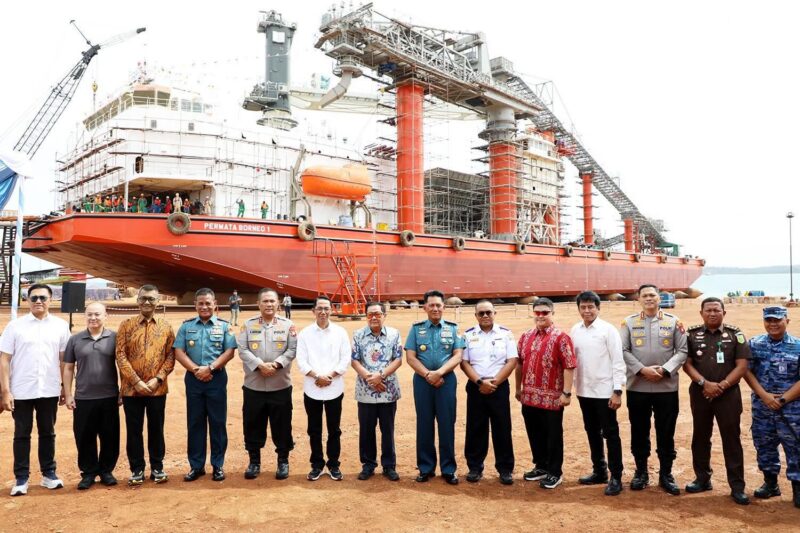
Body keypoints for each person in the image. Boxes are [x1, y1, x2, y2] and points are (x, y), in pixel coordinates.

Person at [0, 284, 70, 496]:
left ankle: (49, 474)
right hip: (21, 389)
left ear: (51, 300)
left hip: (48, 389)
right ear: (27, 301)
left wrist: (65, 388)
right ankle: (21, 478)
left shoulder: (60, 326)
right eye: (33, 298)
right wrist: (5, 391)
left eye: (42, 297)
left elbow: (64, 361)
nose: (38, 301)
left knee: (48, 433)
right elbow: (4, 359)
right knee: (22, 434)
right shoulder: (15, 326)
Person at [620, 284, 688, 495]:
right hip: (638, 386)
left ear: (659, 298)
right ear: (638, 299)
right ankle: (641, 472)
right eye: (645, 296)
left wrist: (666, 369)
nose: (649, 299)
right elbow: (622, 350)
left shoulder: (674, 322)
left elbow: (682, 350)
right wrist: (641, 370)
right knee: (639, 432)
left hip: (666, 387)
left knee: (666, 433)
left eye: (652, 295)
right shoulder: (629, 323)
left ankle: (666, 474)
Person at [682, 297, 751, 505]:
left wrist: (721, 386)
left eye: (717, 310)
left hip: (728, 395)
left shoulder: (735, 334)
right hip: (701, 393)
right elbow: (687, 364)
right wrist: (705, 384)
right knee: (700, 437)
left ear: (724, 313)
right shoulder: (691, 335)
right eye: (708, 310)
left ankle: (737, 486)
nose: (712, 313)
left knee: (731, 439)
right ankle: (702, 479)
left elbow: (742, 366)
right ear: (701, 313)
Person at [174, 288, 237, 482]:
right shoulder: (186, 327)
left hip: (216, 378)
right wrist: (196, 370)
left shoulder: (224, 326)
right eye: (200, 303)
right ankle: (196, 466)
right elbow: (178, 351)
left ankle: (218, 465)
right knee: (195, 423)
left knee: (217, 423)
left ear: (215, 304)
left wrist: (209, 368)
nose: (204, 307)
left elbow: (229, 351)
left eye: (208, 303)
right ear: (195, 305)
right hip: (193, 380)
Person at [116, 284, 176, 485]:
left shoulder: (166, 327)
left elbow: (170, 356)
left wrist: (157, 379)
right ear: (137, 300)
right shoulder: (126, 325)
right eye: (143, 298)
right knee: (134, 430)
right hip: (131, 390)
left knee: (156, 428)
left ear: (158, 301)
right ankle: (137, 469)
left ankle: (157, 467)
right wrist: (136, 381)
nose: (147, 302)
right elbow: (120, 355)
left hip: (157, 389)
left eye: (151, 298)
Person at [515, 297, 576, 489]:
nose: (541, 316)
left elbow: (569, 366)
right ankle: (540, 466)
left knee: (553, 435)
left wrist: (566, 393)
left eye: (545, 313)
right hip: (529, 397)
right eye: (537, 312)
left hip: (552, 399)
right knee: (535, 433)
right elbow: (519, 363)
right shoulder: (525, 336)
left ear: (552, 313)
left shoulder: (561, 337)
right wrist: (518, 388)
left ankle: (554, 471)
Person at [405, 289, 465, 485]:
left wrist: (439, 373)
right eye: (431, 305)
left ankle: (448, 469)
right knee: (424, 424)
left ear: (443, 307)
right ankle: (426, 468)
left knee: (447, 424)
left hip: (446, 382)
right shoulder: (416, 329)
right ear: (424, 308)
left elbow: (457, 355)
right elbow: (411, 357)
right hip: (422, 382)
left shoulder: (453, 328)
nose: (435, 308)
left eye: (438, 305)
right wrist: (428, 375)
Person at [237, 288, 297, 480]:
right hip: (254, 386)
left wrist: (277, 364)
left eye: (272, 301)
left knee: (282, 425)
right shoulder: (248, 325)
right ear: (258, 304)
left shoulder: (288, 325)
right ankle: (254, 462)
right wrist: (259, 365)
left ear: (278, 303)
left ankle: (283, 461)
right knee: (253, 424)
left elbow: (292, 349)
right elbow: (243, 349)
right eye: (265, 301)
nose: (269, 304)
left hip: (280, 385)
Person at [570, 291, 626, 496]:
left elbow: (618, 361)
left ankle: (616, 477)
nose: (587, 311)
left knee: (610, 434)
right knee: (591, 432)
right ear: (578, 309)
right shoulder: (575, 330)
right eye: (583, 307)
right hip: (584, 391)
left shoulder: (608, 330)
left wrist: (617, 391)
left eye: (590, 307)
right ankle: (599, 471)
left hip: (605, 392)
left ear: (598, 308)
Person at [745, 306, 800, 509]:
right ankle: (770, 484)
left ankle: (798, 486)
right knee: (764, 445)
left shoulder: (798, 346)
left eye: (777, 320)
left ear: (787, 320)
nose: (773, 324)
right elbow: (747, 371)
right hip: (763, 407)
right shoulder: (754, 344)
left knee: (795, 447)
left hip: (792, 408)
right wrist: (764, 396)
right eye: (769, 320)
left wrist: (783, 399)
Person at [62, 302, 120, 490]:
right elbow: (69, 367)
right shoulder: (75, 339)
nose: (93, 318)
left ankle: (106, 471)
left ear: (105, 316)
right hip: (84, 397)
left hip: (109, 396)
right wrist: (68, 393)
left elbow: (123, 365)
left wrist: (123, 390)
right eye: (90, 315)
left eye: (97, 314)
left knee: (109, 435)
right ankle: (88, 473)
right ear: (84, 316)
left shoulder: (115, 338)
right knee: (84, 436)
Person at [460, 300, 517, 485]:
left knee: (502, 428)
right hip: (476, 386)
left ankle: (505, 469)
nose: (485, 316)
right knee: (476, 427)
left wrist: (494, 383)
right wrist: (479, 382)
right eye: (481, 313)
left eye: (488, 312)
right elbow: (464, 362)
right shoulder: (468, 335)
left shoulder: (506, 334)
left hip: (498, 387)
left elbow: (511, 361)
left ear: (495, 313)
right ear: (475, 315)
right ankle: (475, 467)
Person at [296, 295, 351, 481]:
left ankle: (334, 464)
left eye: (326, 308)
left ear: (331, 310)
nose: (323, 312)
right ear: (313, 311)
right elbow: (301, 362)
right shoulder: (304, 334)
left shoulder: (340, 332)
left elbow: (345, 360)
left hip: (334, 387)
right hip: (312, 388)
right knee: (314, 429)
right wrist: (317, 376)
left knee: (334, 429)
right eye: (319, 308)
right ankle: (317, 464)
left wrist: (329, 376)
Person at [351, 302, 403, 481]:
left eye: (377, 314)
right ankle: (368, 464)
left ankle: (389, 466)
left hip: (388, 390)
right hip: (365, 390)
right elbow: (354, 360)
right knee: (366, 429)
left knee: (387, 429)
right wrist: (370, 378)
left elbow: (398, 359)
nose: (374, 317)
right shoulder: (357, 335)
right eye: (370, 314)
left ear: (384, 315)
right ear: (366, 316)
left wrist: (380, 376)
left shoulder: (394, 334)